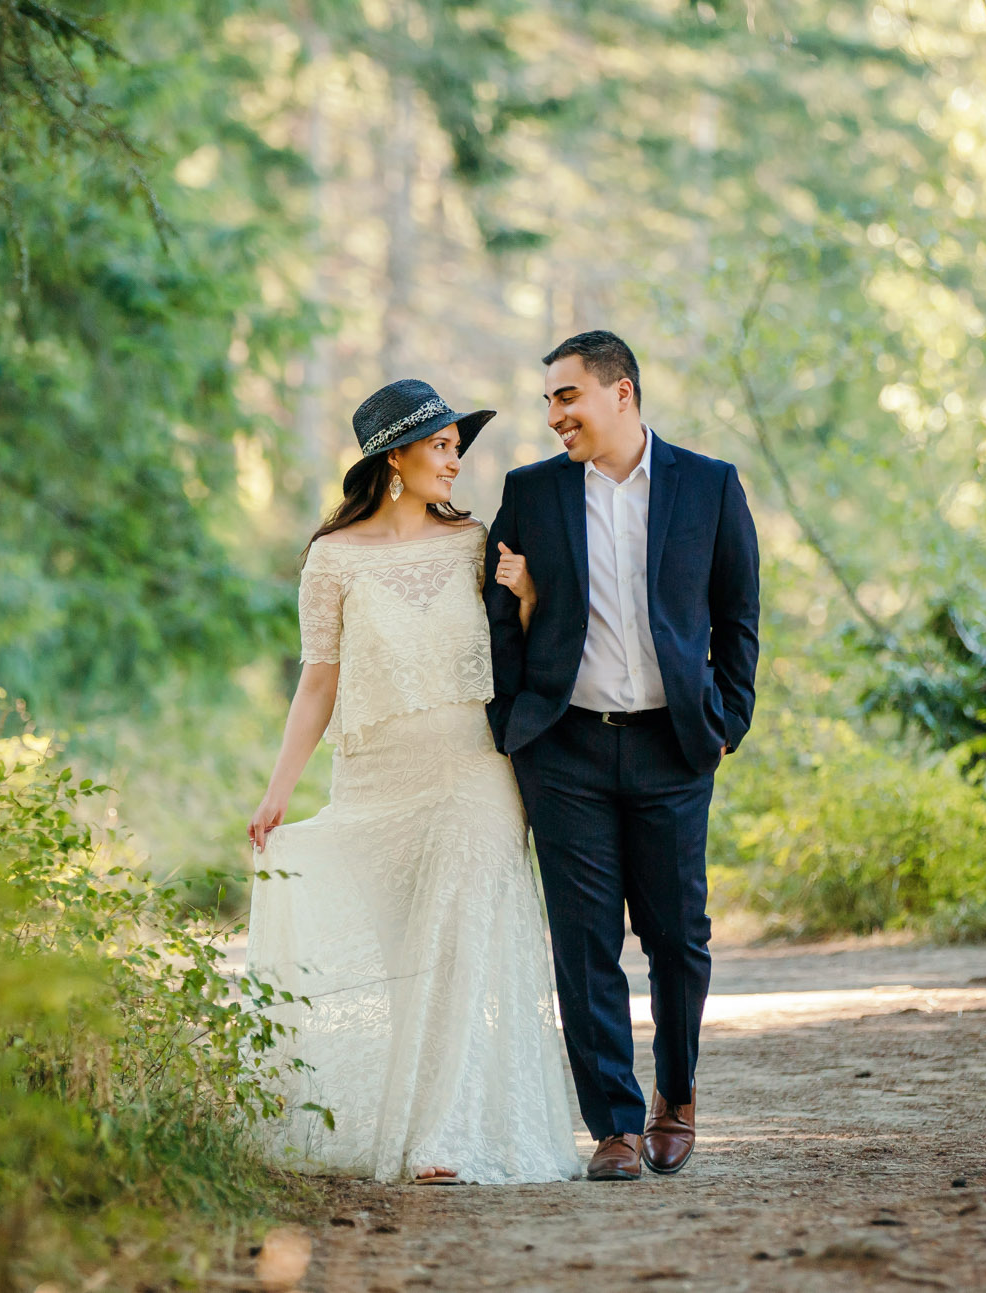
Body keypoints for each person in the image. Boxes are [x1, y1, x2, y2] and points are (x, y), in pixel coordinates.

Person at [245, 378, 581, 1186]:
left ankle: (443, 1138)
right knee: (407, 961)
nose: (454, 460)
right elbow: (318, 681)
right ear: (393, 458)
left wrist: (529, 599)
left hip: (473, 769)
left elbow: (520, 648)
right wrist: (277, 788)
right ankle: (417, 1119)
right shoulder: (331, 560)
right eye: (440, 446)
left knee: (459, 949)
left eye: (456, 445)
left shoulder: (473, 543)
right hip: (374, 777)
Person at [483, 330, 761, 1182]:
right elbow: (496, 606)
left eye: (567, 396)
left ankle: (673, 1099)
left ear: (621, 394)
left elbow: (737, 612)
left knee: (679, 936)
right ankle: (611, 1123)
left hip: (673, 748)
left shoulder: (709, 486)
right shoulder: (530, 493)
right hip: (564, 751)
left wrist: (726, 722)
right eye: (550, 401)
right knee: (584, 943)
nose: (555, 414)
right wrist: (513, 719)